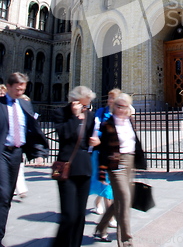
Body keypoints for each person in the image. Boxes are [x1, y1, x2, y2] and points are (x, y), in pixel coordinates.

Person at [0, 72, 49, 247]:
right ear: (9, 87)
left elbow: (32, 129)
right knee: (3, 193)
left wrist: (38, 153)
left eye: (23, 89)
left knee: (6, 199)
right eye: (18, 88)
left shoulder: (24, 105)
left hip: (16, 154)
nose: (20, 91)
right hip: (1, 153)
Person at [95, 93, 146, 246]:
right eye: (118, 106)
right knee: (124, 199)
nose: (121, 109)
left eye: (124, 106)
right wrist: (102, 172)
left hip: (129, 162)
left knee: (120, 199)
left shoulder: (128, 121)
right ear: (113, 106)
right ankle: (126, 241)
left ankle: (101, 226)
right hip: (115, 164)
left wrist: (140, 161)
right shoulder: (108, 124)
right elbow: (103, 149)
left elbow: (135, 142)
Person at [52, 85, 99, 247]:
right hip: (66, 169)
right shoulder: (61, 114)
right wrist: (73, 117)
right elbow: (63, 135)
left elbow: (92, 141)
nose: (86, 108)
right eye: (83, 105)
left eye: (88, 105)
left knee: (79, 215)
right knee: (69, 215)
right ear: (74, 102)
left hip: (84, 169)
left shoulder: (90, 116)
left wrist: (97, 142)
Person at [90, 88, 121, 216]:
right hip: (101, 153)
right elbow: (95, 129)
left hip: (115, 154)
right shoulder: (101, 112)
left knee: (108, 185)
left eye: (112, 98)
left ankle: (98, 202)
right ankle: (110, 217)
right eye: (109, 97)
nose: (109, 100)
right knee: (107, 184)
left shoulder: (120, 114)